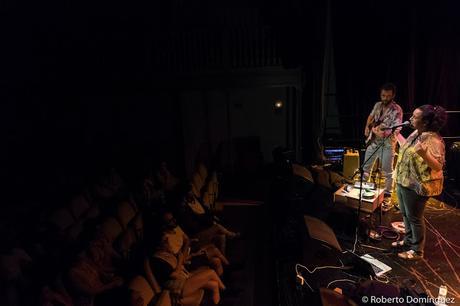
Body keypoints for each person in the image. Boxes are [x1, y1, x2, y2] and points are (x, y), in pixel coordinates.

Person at [392, 105, 447, 260]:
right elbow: (408, 150)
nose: (410, 119)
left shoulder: (434, 140)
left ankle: (417, 250)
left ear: (425, 122)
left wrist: (423, 154)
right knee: (405, 214)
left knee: (415, 218)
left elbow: (438, 166)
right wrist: (397, 136)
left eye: (415, 117)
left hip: (417, 186)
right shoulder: (417, 133)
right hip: (404, 181)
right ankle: (408, 241)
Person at [363, 83, 403, 197]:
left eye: (388, 96)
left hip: (387, 144)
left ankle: (387, 193)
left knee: (387, 170)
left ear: (393, 95)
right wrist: (367, 127)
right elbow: (370, 116)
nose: (385, 98)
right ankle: (364, 187)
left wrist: (384, 134)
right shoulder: (377, 105)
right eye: (383, 95)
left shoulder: (397, 109)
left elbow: (397, 127)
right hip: (374, 140)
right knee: (366, 166)